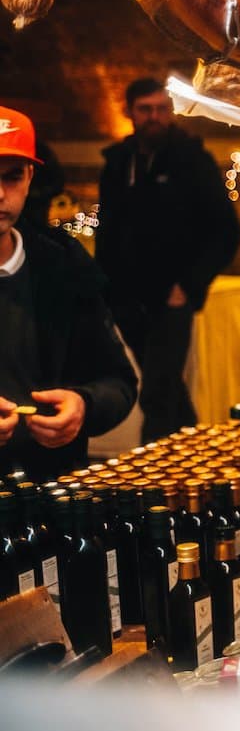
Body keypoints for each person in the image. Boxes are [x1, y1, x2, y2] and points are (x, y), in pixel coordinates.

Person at [95, 78, 240, 441]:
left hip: (171, 298)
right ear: (130, 112)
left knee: (157, 391)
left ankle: (152, 487)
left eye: (161, 109)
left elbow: (226, 231)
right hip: (127, 299)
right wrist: (104, 290)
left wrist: (190, 285)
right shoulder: (117, 163)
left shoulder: (192, 160)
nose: (155, 117)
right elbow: (108, 231)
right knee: (168, 389)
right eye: (146, 110)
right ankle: (198, 458)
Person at [0, 106, 137, 481]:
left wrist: (83, 405)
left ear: (30, 176)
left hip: (56, 493)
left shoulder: (62, 264)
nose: (0, 194)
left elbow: (119, 382)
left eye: (11, 177)